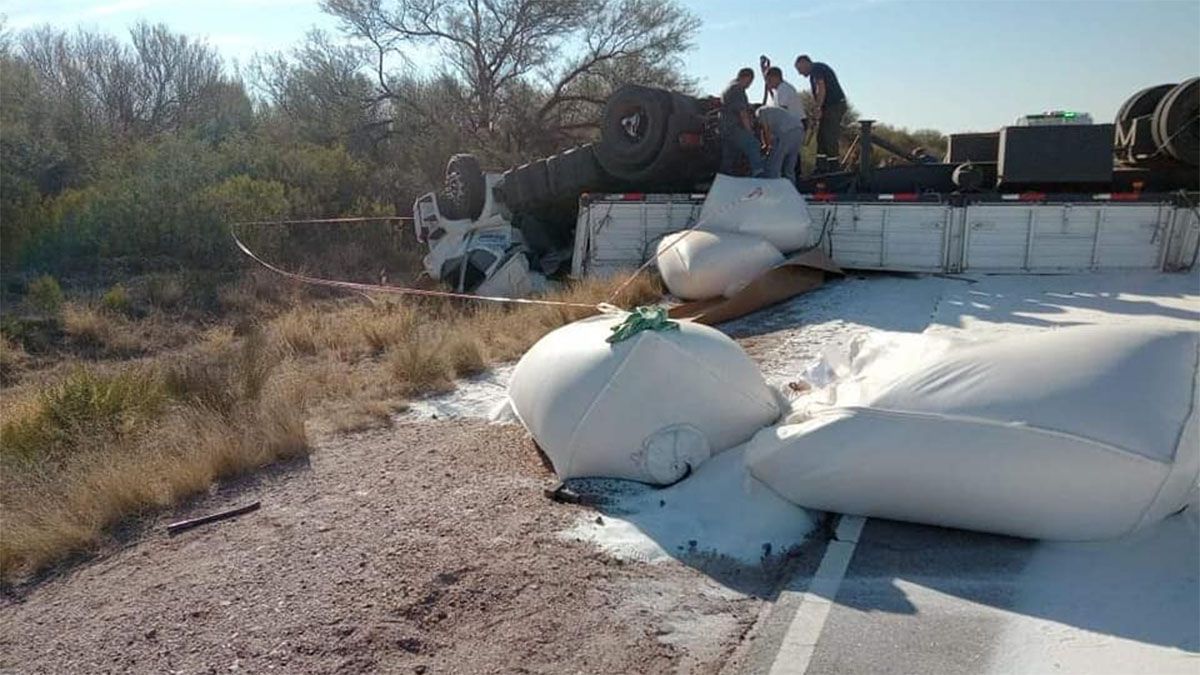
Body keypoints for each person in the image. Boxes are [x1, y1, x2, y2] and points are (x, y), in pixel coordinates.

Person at [794, 54, 847, 174]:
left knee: (829, 135)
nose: (800, 73)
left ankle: (834, 166)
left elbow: (821, 88)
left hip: (834, 106)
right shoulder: (814, 72)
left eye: (800, 69)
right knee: (821, 136)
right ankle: (821, 166)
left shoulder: (817, 69)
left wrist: (818, 108)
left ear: (805, 63)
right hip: (827, 107)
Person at [719, 67, 765, 177]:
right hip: (735, 127)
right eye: (749, 82)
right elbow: (742, 112)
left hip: (725, 127)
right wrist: (749, 131)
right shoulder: (738, 89)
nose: (749, 85)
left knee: (730, 155)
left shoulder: (729, 88)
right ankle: (759, 174)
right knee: (753, 145)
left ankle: (725, 178)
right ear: (746, 77)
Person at [756, 104, 805, 181]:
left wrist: (767, 148)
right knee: (789, 167)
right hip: (799, 129)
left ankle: (773, 187)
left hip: (787, 131)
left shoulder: (760, 112)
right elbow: (763, 131)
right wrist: (766, 144)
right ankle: (791, 188)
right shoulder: (773, 110)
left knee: (774, 165)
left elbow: (766, 130)